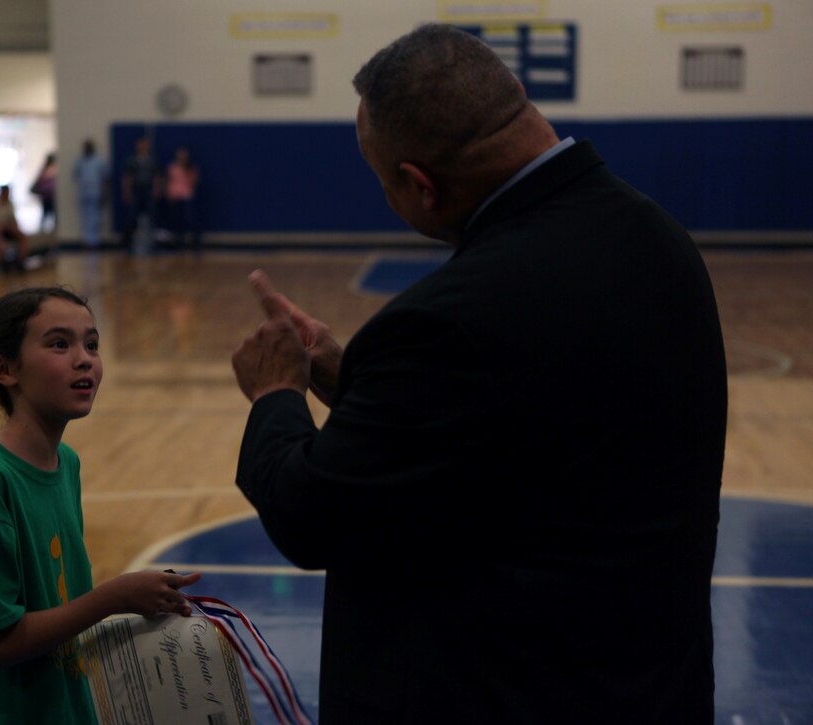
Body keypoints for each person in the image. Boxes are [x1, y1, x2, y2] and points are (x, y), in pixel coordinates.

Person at [229, 24, 727, 724]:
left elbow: (311, 516)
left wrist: (277, 391)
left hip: (505, 691)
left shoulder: (449, 320)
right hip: (648, 684)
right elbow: (528, 430)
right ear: (516, 96)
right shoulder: (658, 238)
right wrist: (358, 383)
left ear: (421, 186)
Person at [0, 286, 202, 724]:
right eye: (60, 344)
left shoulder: (66, 463)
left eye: (92, 344)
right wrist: (113, 598)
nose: (85, 359)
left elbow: (59, 605)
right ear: (3, 369)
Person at [119, 136, 160, 250]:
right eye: (141, 145)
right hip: (136, 190)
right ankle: (127, 242)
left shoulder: (152, 160)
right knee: (131, 216)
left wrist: (156, 189)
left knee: (153, 216)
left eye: (145, 145)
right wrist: (127, 191)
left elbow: (156, 176)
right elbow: (127, 177)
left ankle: (153, 243)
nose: (143, 147)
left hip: (148, 190)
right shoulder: (132, 160)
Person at [72, 139, 109, 249]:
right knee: (85, 218)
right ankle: (87, 241)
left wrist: (105, 193)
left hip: (96, 193)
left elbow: (106, 178)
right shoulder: (80, 162)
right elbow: (76, 176)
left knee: (96, 218)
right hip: (84, 194)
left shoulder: (99, 161)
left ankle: (95, 242)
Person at [163, 146, 200, 249]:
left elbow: (194, 182)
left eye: (184, 154)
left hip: (186, 196)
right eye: (180, 154)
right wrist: (169, 193)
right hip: (175, 196)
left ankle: (196, 243)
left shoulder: (191, 167)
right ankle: (179, 243)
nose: (182, 157)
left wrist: (188, 173)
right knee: (177, 221)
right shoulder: (172, 167)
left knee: (191, 220)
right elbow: (168, 181)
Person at [30, 152, 58, 234]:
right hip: (46, 196)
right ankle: (42, 231)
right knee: (46, 214)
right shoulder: (46, 170)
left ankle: (52, 231)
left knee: (51, 214)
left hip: (50, 196)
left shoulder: (49, 169)